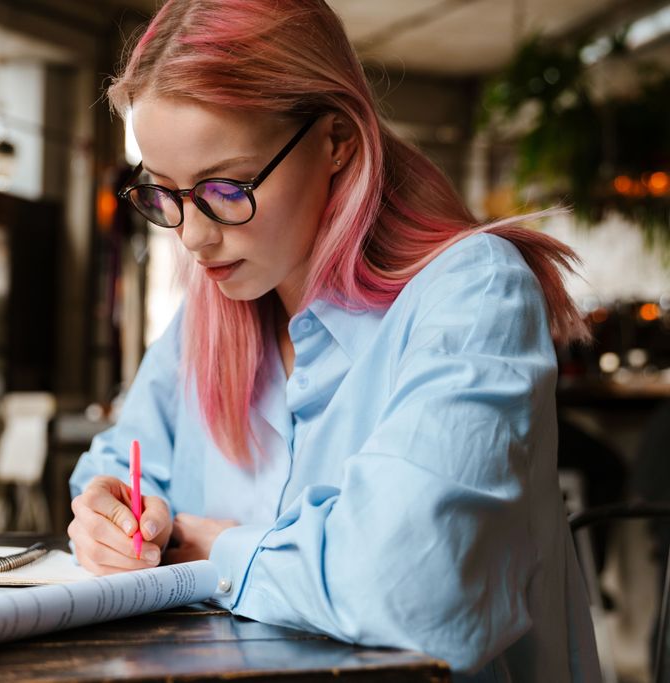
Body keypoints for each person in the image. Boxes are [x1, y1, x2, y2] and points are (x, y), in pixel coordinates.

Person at [68, 1, 600, 680]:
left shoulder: (473, 297)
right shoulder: (213, 308)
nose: (193, 236)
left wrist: (219, 550)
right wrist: (108, 521)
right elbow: (116, 472)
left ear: (337, 141)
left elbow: (411, 586)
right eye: (164, 193)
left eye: (226, 188)